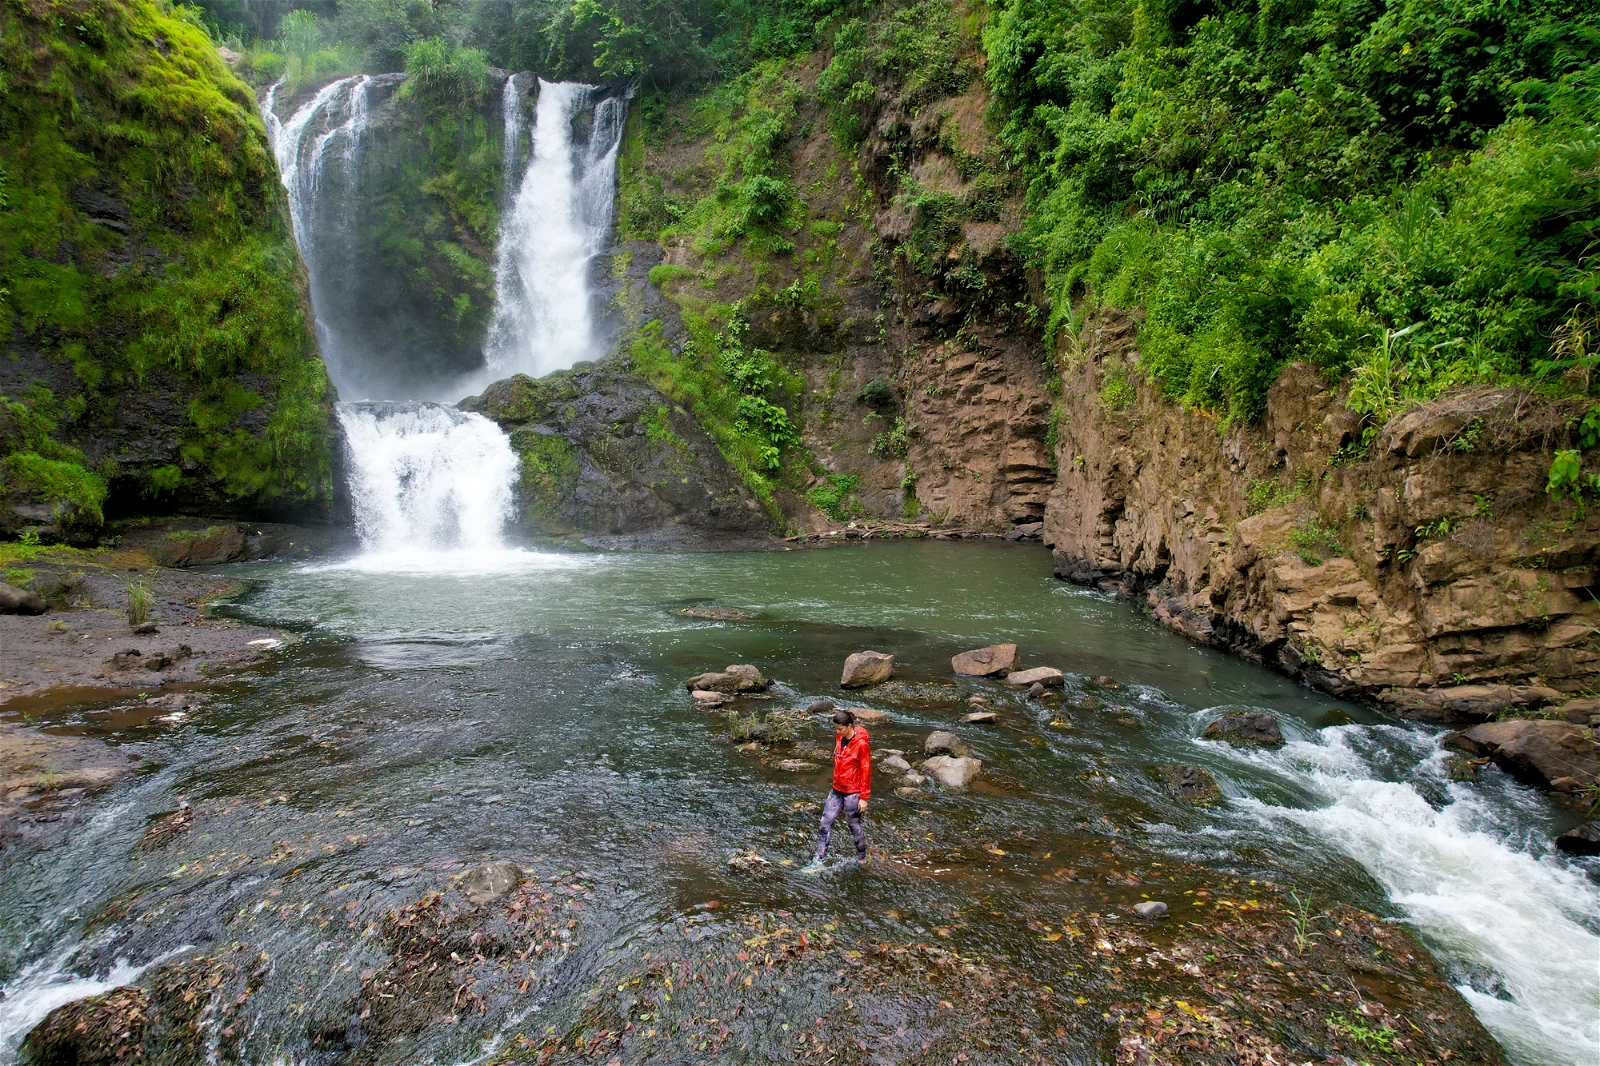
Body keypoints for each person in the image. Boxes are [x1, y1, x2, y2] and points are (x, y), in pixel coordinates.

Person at [802, 708, 871, 872]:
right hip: (836, 790)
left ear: (849, 726)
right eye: (836, 729)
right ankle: (818, 861)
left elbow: (866, 769)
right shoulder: (839, 738)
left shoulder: (861, 745)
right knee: (825, 823)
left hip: (853, 793)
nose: (838, 732)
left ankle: (862, 858)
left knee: (854, 826)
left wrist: (864, 797)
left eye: (840, 729)